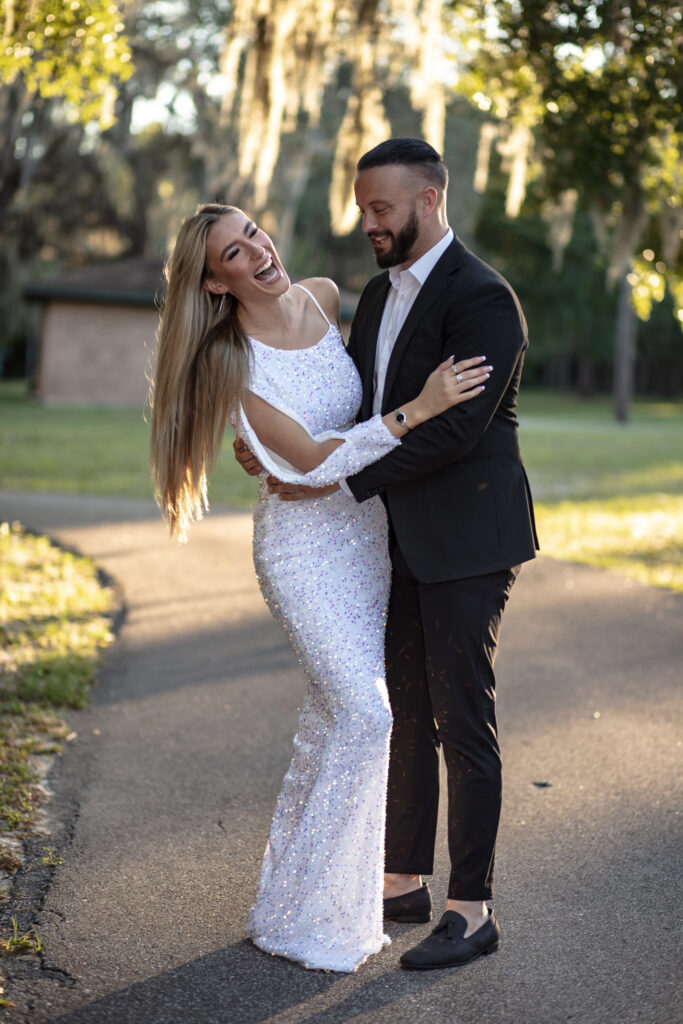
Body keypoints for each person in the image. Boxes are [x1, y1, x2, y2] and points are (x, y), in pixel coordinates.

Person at [148, 202, 490, 972]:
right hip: (301, 552)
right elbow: (305, 457)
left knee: (329, 723)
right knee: (368, 716)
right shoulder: (226, 358)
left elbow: (346, 424)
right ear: (212, 281)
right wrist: (421, 408)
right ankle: (322, 914)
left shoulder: (328, 297)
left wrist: (353, 440)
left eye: (255, 234)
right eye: (233, 254)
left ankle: (291, 900)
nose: (258, 253)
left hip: (367, 541)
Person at [239, 138, 538, 971]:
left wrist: (334, 488)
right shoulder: (373, 296)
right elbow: (365, 410)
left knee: (460, 718)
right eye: (362, 206)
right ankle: (401, 879)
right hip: (391, 540)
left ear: (429, 201)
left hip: (467, 538)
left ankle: (471, 908)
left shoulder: (483, 298)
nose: (367, 221)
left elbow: (453, 429)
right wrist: (272, 453)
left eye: (381, 208)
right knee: (401, 711)